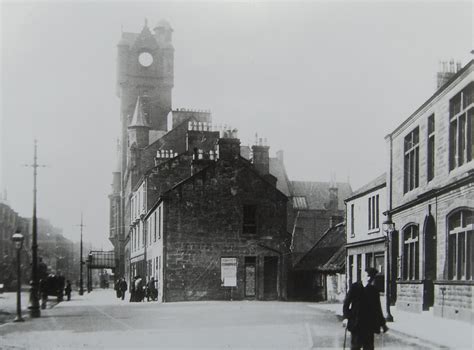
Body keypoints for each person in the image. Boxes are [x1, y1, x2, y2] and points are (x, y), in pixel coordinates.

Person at [342, 267, 388, 350]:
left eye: (372, 276)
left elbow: (377, 309)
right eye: (368, 276)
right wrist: (346, 317)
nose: (369, 278)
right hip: (356, 323)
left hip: (369, 325)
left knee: (369, 347)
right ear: (363, 276)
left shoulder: (374, 291)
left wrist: (383, 324)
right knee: (355, 347)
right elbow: (346, 304)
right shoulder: (355, 287)